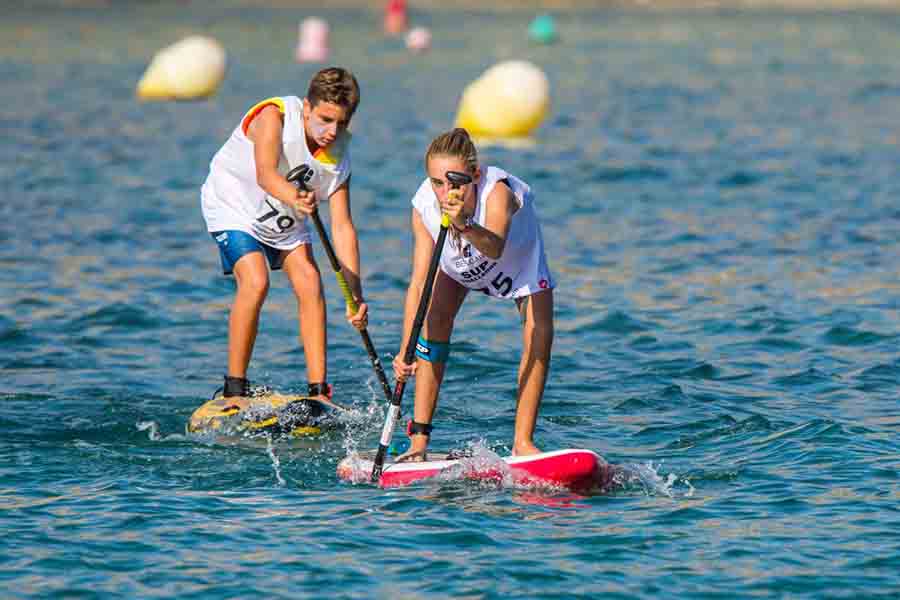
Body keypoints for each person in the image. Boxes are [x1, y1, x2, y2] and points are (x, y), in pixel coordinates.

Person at [200, 66, 368, 406]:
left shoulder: (340, 158)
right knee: (256, 280)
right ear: (307, 107)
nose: (332, 132)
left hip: (284, 215)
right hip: (234, 204)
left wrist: (355, 296)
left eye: (342, 123)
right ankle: (234, 390)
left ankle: (319, 393)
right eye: (324, 119)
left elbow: (342, 227)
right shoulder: (273, 116)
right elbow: (266, 173)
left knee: (309, 280)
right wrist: (295, 197)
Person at [393, 128, 555, 460]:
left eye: (456, 181)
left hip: (516, 263)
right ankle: (419, 442)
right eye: (437, 182)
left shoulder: (497, 193)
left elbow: (494, 246)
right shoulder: (423, 205)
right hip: (460, 267)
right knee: (433, 324)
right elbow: (419, 284)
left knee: (539, 333)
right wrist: (404, 349)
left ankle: (522, 442)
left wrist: (464, 223)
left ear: (476, 175)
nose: (445, 192)